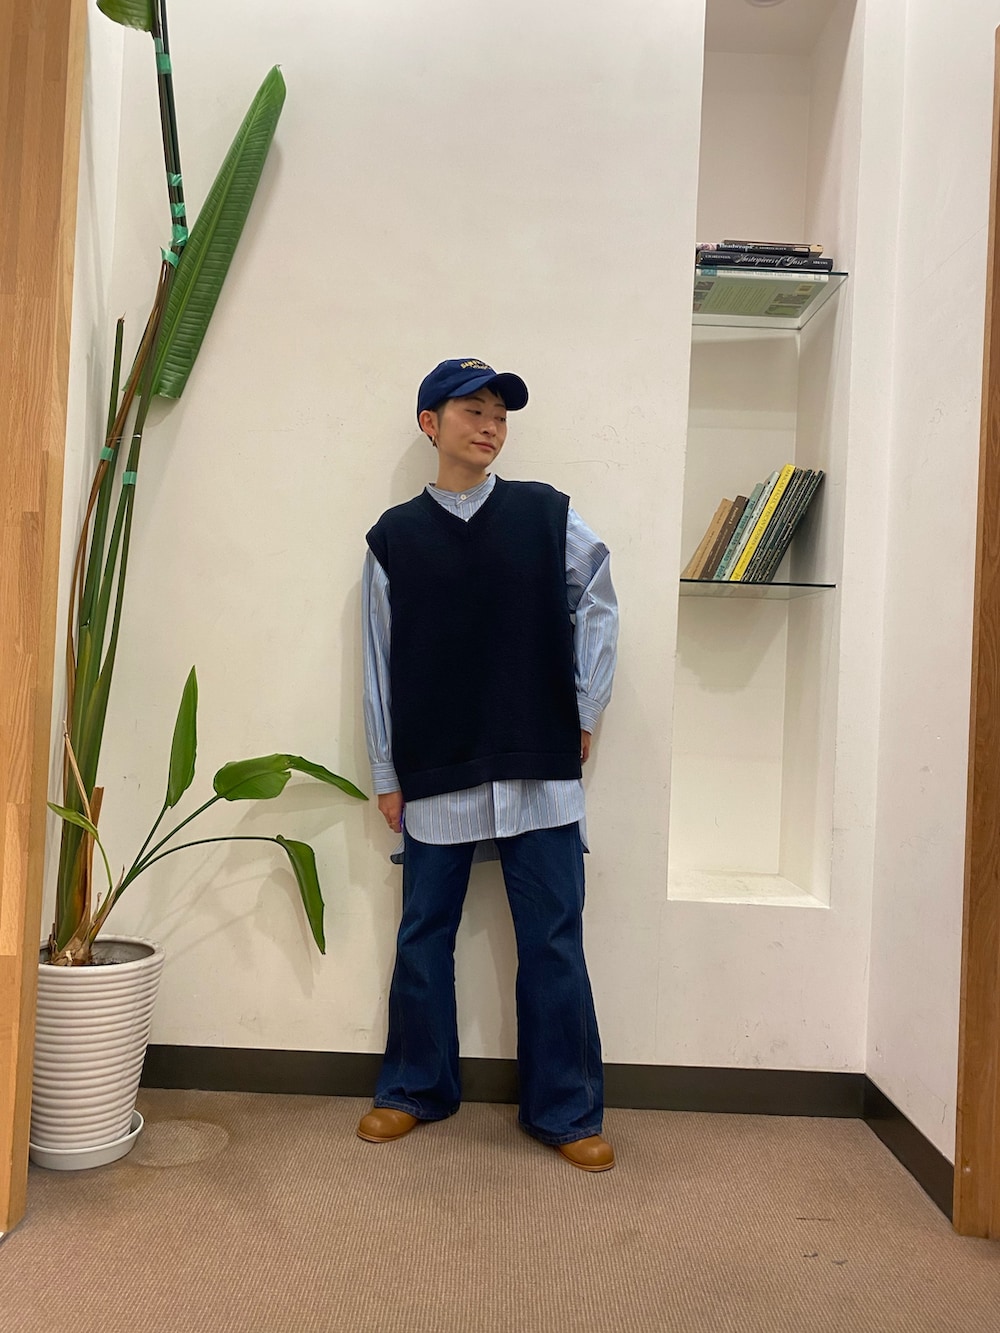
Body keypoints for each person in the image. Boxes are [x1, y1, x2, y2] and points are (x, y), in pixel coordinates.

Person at [358, 358, 619, 1171]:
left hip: (540, 766)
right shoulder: (393, 537)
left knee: (553, 941)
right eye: (472, 409)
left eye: (500, 413)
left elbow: (599, 601)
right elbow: (377, 658)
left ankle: (566, 1108)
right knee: (422, 936)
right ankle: (414, 1087)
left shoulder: (547, 515)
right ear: (429, 423)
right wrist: (385, 771)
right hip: (435, 768)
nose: (490, 425)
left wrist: (585, 707)